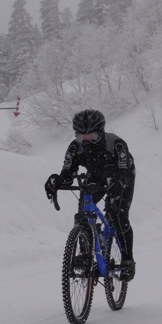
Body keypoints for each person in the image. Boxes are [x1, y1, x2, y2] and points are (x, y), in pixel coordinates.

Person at [44, 109, 136, 281]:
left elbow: (124, 170)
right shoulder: (74, 147)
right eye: (82, 137)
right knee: (83, 212)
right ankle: (84, 254)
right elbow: (67, 173)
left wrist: (118, 182)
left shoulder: (117, 144)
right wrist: (56, 181)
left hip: (121, 174)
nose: (86, 141)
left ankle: (127, 259)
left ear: (101, 132)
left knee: (117, 215)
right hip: (96, 176)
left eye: (92, 136)